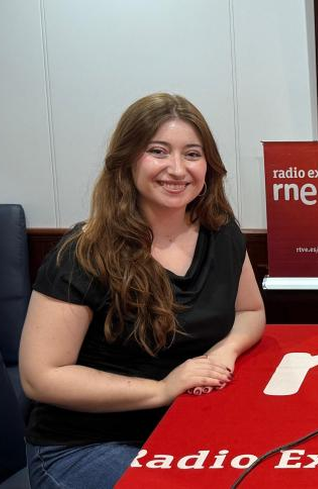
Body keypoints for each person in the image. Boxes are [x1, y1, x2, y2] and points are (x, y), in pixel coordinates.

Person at [19, 93, 265, 488]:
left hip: (184, 432)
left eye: (192, 154)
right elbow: (41, 376)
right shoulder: (82, 251)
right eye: (158, 151)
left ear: (209, 166)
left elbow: (249, 312)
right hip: (86, 444)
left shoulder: (223, 233)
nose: (177, 169)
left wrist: (223, 353)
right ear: (127, 160)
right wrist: (163, 389)